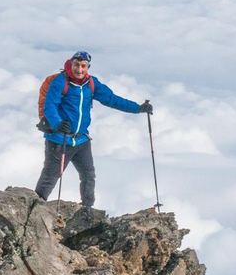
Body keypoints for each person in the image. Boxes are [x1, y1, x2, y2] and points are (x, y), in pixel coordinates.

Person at [34, 50, 153, 207]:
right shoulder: (60, 82)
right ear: (71, 64)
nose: (80, 70)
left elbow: (112, 99)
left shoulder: (91, 83)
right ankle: (35, 208)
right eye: (77, 65)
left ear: (88, 67)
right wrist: (57, 124)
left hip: (82, 140)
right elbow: (50, 106)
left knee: (88, 175)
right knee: (50, 177)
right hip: (59, 139)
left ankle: (87, 209)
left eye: (83, 66)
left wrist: (138, 108)